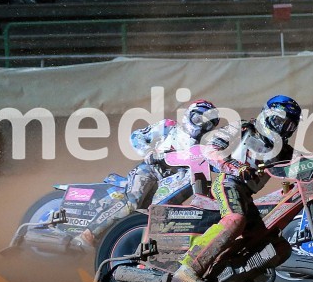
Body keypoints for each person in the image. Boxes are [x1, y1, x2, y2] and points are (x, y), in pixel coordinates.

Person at [172, 96, 302, 282]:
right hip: (228, 183)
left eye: (289, 126)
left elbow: (307, 163)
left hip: (246, 196)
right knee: (235, 219)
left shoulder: (283, 150)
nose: (282, 129)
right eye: (279, 121)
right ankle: (188, 269)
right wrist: (235, 166)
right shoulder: (243, 128)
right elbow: (209, 148)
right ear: (267, 115)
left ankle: (223, 280)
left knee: (279, 246)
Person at [75, 100, 220, 248]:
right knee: (132, 202)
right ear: (188, 115)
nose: (201, 125)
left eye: (207, 124)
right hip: (150, 169)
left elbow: (218, 164)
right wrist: (148, 151)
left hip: (174, 182)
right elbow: (137, 136)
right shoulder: (169, 126)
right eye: (198, 118)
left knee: (163, 215)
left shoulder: (206, 147)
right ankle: (87, 234)